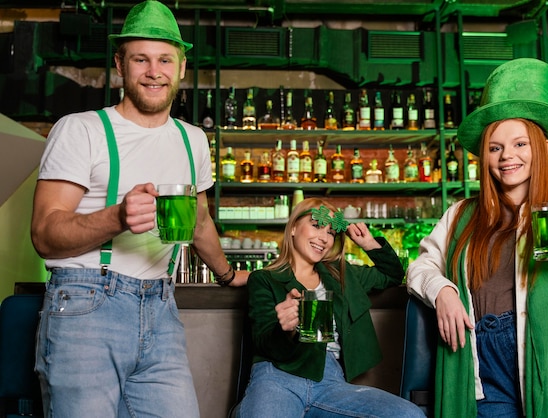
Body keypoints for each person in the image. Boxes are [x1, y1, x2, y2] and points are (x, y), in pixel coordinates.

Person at [30, 1, 248, 417]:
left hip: (161, 307)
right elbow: (44, 235)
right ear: (120, 64)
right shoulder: (82, 129)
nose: (154, 71)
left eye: (165, 59)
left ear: (181, 68)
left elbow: (199, 220)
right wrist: (117, 217)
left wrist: (227, 274)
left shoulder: (193, 140)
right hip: (87, 303)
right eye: (140, 59)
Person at [406, 58, 548, 418]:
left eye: (520, 143)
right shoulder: (461, 216)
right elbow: (420, 267)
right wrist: (442, 291)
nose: (507, 157)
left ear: (544, 149)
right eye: (495, 147)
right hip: (485, 372)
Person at [234, 198, 425, 418]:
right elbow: (263, 341)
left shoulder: (342, 274)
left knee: (410, 415)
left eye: (332, 232)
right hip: (277, 376)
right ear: (294, 227)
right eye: (316, 226)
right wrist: (285, 330)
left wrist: (368, 244)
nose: (324, 238)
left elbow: (392, 275)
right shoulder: (265, 279)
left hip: (330, 381)